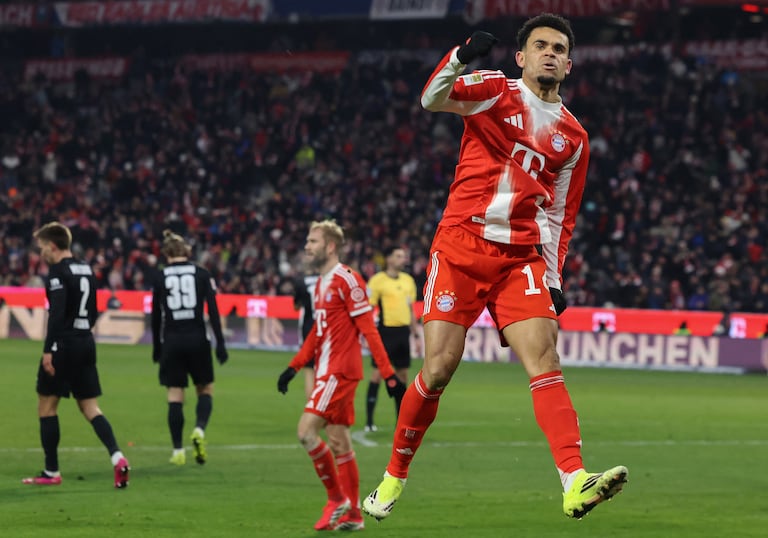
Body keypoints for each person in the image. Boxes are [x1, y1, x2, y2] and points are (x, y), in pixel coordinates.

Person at [363, 14, 627, 522]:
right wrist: (460, 56)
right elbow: (431, 98)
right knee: (438, 369)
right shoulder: (492, 90)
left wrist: (552, 280)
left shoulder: (574, 137)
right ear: (520, 56)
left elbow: (558, 214)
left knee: (545, 359)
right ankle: (395, 474)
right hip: (460, 248)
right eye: (539, 45)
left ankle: (575, 480)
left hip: (519, 259)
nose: (549, 53)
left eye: (558, 48)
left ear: (568, 65)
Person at [276, 220, 407, 531]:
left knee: (306, 432)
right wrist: (293, 367)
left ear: (330, 246)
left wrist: (388, 375)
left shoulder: (347, 279)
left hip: (339, 371)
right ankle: (353, 516)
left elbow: (368, 330)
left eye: (312, 241)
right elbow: (315, 335)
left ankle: (337, 499)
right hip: (326, 369)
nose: (307, 246)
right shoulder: (320, 283)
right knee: (339, 443)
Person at [23, 222, 130, 488]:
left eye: (42, 248)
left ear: (53, 245)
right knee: (90, 407)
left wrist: (49, 349)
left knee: (47, 407)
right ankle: (117, 457)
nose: (40, 253)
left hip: (64, 344)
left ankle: (51, 472)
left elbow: (56, 315)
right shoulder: (86, 269)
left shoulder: (58, 273)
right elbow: (94, 310)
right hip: (85, 342)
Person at [151, 230, 228, 466]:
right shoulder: (202, 274)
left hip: (172, 341)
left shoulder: (161, 277)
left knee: (175, 395)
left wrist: (156, 347)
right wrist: (220, 344)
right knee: (205, 390)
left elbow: (155, 316)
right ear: (187, 251)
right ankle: (199, 430)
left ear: (166, 254)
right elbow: (213, 312)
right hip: (197, 339)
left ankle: (177, 451)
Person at [364, 246, 418, 432]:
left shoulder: (408, 281)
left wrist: (416, 334)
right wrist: (366, 333)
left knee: (403, 376)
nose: (403, 259)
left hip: (403, 333)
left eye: (404, 256)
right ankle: (370, 421)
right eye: (398, 256)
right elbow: (369, 309)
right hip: (385, 333)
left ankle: (400, 422)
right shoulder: (377, 281)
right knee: (377, 375)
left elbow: (410, 309)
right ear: (389, 259)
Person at [293, 265, 320, 401]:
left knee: (309, 370)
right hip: (328, 328)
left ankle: (312, 409)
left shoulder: (301, 282)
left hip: (309, 329)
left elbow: (296, 306)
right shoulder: (331, 279)